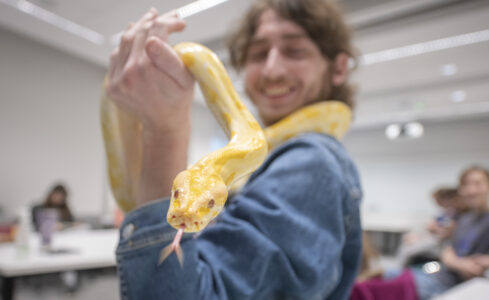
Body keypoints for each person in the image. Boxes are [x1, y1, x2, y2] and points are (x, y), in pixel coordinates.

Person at [107, 0, 362, 299]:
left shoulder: (310, 162)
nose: (272, 69)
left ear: (339, 67)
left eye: (295, 51)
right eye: (257, 53)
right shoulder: (267, 159)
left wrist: (164, 131)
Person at [412, 165, 489, 299]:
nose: (471, 190)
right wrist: (459, 263)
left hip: (462, 286)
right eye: (466, 185)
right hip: (440, 276)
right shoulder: (463, 219)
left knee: (395, 286)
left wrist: (481, 261)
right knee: (393, 276)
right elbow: (449, 249)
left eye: (477, 183)